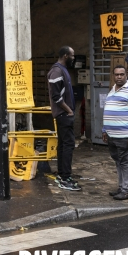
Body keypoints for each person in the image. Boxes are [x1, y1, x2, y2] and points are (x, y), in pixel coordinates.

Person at [102, 65, 128, 200]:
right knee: (118, 162)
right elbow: (107, 111)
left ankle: (127, 191)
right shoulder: (112, 90)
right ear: (113, 76)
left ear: (126, 75)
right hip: (112, 135)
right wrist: (104, 130)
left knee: (126, 162)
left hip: (126, 135)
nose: (119, 77)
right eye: (116, 74)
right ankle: (121, 187)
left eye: (122, 74)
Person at [48, 46, 81, 191]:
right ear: (66, 55)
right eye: (72, 55)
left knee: (63, 144)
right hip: (63, 114)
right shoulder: (56, 71)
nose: (74, 58)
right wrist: (69, 111)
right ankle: (66, 177)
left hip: (64, 114)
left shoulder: (62, 69)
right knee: (68, 145)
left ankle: (62, 174)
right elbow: (56, 96)